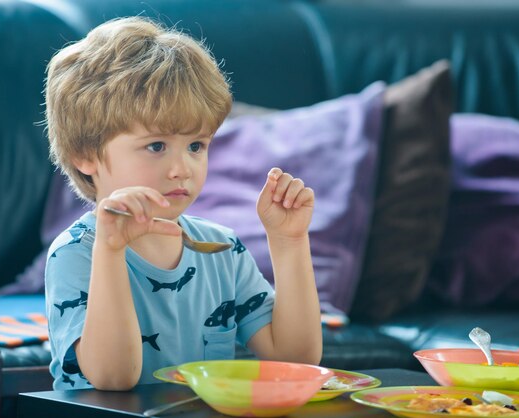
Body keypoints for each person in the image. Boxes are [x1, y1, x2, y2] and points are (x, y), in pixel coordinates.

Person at [43, 16, 322, 391]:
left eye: (196, 146)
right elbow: (113, 378)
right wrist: (110, 251)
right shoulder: (76, 254)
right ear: (84, 154)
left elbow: (295, 361)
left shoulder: (222, 248)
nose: (182, 169)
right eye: (156, 146)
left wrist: (289, 243)